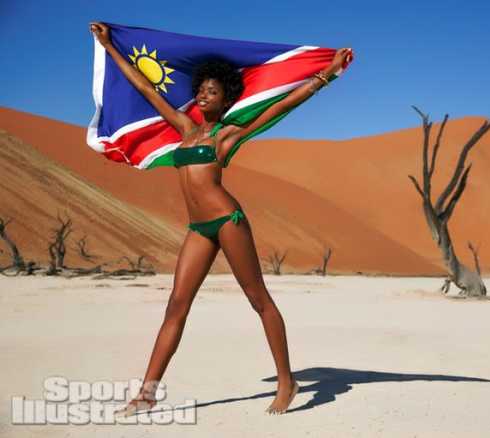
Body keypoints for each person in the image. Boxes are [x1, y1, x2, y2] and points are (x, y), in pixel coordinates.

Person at [89, 21, 352, 416]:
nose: (202, 95)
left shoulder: (228, 134)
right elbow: (146, 88)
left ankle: (287, 381)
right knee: (176, 306)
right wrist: (110, 46)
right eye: (201, 90)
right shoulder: (185, 128)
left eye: (211, 91)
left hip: (228, 220)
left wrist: (328, 74)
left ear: (226, 98)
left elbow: (282, 106)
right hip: (198, 228)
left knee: (258, 299)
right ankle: (146, 393)